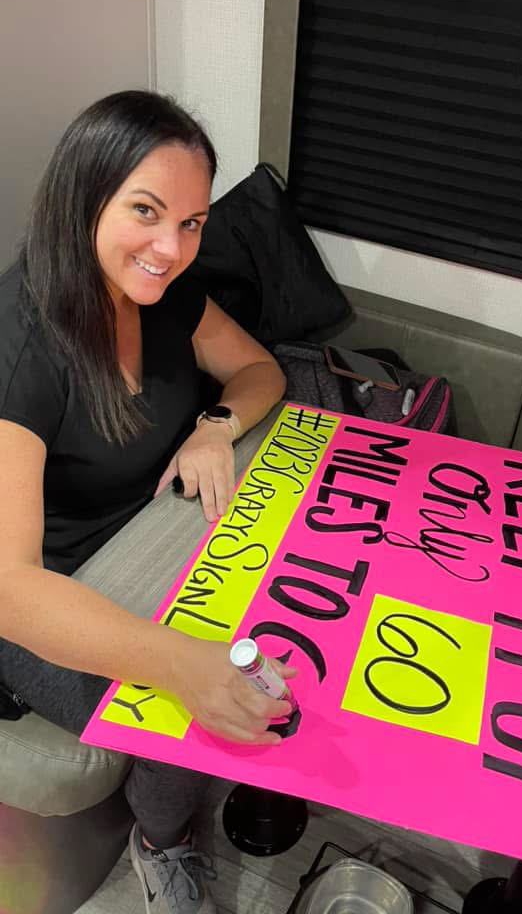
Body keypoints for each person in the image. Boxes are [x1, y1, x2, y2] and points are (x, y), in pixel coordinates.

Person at [0, 90, 295, 914]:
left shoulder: (162, 296)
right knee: (180, 705)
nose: (171, 247)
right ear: (82, 196)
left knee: (280, 646)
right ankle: (164, 842)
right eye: (147, 211)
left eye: (193, 222)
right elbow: (10, 586)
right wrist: (179, 663)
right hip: (41, 595)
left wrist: (214, 426)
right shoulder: (20, 344)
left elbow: (261, 370)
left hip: (143, 539)